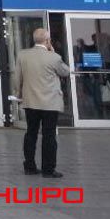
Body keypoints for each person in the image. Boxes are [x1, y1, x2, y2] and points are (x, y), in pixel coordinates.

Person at [14, 27, 71, 179]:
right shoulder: (53, 57)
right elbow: (65, 71)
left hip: (31, 101)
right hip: (50, 103)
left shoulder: (23, 55)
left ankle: (29, 166)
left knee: (31, 133)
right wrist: (53, 52)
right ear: (47, 41)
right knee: (49, 135)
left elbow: (17, 77)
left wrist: (19, 94)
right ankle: (48, 169)